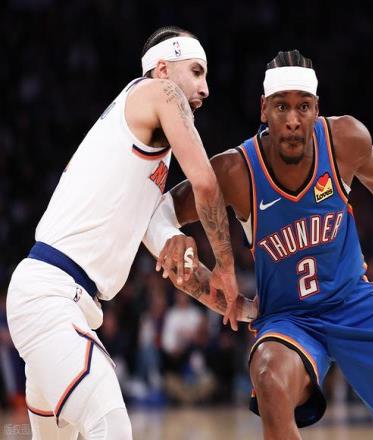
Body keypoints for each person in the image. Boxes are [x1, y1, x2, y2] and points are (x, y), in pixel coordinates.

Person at [155, 50, 373, 439]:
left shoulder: (344, 139)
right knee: (268, 374)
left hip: (354, 306)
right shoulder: (236, 170)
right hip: (288, 319)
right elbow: (165, 208)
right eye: (281, 106)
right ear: (264, 109)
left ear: (317, 109)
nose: (293, 119)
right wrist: (170, 236)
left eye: (303, 106)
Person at [6, 26, 242, 440]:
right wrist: (227, 264)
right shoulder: (158, 92)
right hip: (51, 297)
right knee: (111, 425)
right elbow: (206, 184)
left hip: (64, 305)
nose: (205, 89)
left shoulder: (144, 164)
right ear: (163, 69)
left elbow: (180, 270)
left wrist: (241, 307)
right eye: (196, 71)